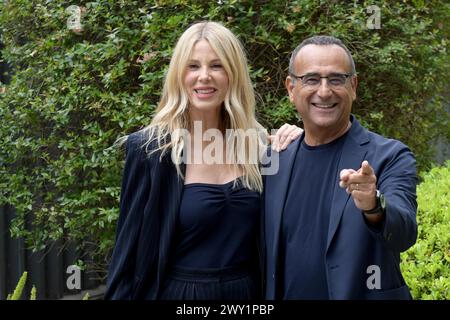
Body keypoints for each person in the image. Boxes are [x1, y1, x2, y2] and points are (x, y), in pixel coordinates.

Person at [104, 21, 301, 300]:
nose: (204, 76)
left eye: (217, 66)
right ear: (178, 74)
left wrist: (300, 141)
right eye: (193, 66)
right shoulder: (150, 151)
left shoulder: (257, 146)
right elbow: (126, 258)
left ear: (233, 74)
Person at [263, 35, 418, 300]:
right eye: (311, 79)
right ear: (291, 89)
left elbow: (404, 232)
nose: (324, 91)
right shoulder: (275, 159)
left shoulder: (390, 156)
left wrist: (374, 204)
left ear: (353, 86)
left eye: (336, 79)